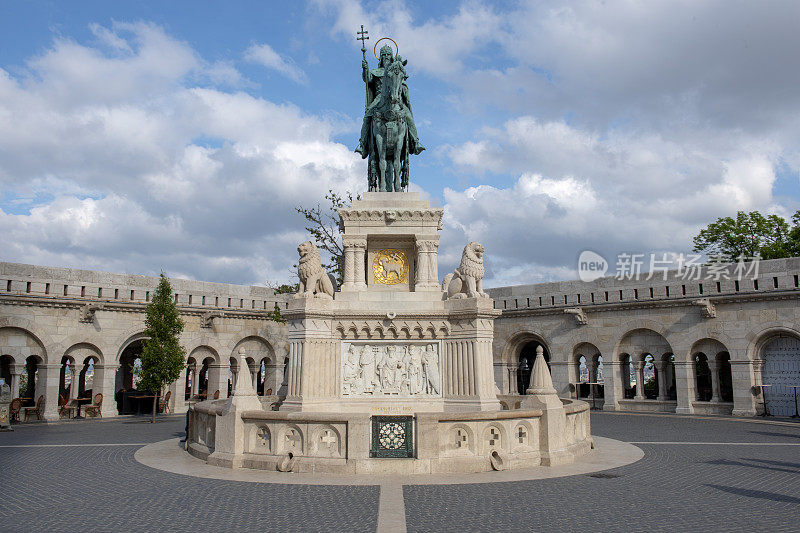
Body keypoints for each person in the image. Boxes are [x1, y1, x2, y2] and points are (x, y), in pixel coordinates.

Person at [355, 45, 424, 160]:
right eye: (384, 55)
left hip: (396, 99)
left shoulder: (396, 70)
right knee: (367, 117)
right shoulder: (375, 71)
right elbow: (368, 79)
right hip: (378, 99)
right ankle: (363, 145)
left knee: (408, 117)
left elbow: (401, 83)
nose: (386, 57)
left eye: (388, 55)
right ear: (380, 58)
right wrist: (365, 69)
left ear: (392, 57)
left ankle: (415, 142)